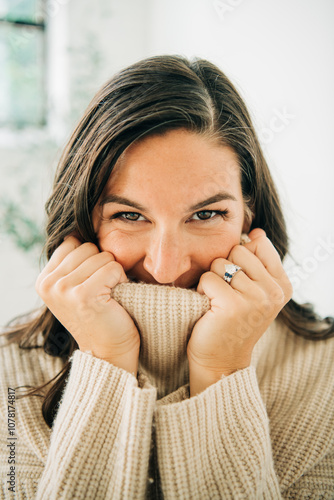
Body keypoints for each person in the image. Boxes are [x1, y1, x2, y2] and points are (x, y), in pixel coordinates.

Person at [1, 55, 333, 500]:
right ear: (81, 225)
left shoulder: (327, 375)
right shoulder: (8, 373)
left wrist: (221, 371)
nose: (165, 266)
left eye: (206, 213)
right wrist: (105, 359)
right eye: (130, 215)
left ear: (249, 217)